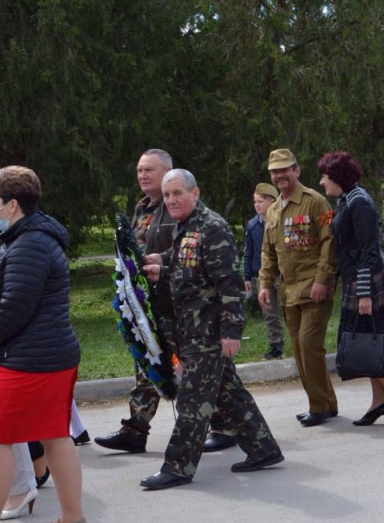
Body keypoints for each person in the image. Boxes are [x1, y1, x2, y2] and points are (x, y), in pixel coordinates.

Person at [0, 166, 92, 523]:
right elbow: (1, 298)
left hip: (31, 359)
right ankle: (72, 518)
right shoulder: (29, 237)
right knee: (54, 435)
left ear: (13, 205)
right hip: (48, 355)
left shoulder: (30, 243)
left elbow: (14, 306)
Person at [140, 169, 282, 490]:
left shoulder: (211, 227)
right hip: (190, 329)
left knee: (193, 400)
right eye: (167, 195)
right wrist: (159, 263)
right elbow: (186, 265)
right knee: (228, 392)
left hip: (209, 332)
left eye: (178, 193)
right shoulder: (186, 227)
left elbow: (229, 284)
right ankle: (263, 449)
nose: (172, 200)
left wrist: (231, 330)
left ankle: (177, 467)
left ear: (195, 192)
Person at [95, 149, 235, 454]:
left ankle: (224, 424)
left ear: (168, 172)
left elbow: (192, 258)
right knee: (148, 363)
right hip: (150, 303)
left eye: (149, 170)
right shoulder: (142, 208)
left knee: (201, 369)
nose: (143, 175)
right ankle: (135, 429)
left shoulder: (180, 209)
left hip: (181, 304)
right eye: (139, 170)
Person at [317, 151, 384, 425]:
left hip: (365, 282)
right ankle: (378, 401)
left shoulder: (360, 203)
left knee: (364, 342)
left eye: (324, 176)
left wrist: (365, 293)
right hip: (355, 280)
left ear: (337, 177)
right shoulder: (347, 198)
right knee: (366, 341)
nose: (322, 182)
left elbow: (370, 252)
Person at [258, 149, 338, 427]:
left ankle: (318, 407)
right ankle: (327, 402)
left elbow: (330, 242)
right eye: (274, 171)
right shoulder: (274, 210)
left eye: (285, 169)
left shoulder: (315, 202)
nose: (280, 175)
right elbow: (268, 252)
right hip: (289, 293)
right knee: (300, 350)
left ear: (297, 170)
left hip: (314, 289)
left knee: (309, 346)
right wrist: (265, 283)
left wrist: (322, 280)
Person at [243, 183, 285, 360]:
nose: (257, 205)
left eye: (260, 201)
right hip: (262, 276)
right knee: (269, 313)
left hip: (283, 274)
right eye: (255, 202)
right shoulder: (252, 225)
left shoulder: (282, 220)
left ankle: (301, 343)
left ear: (271, 201)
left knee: (292, 310)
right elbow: (248, 251)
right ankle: (276, 345)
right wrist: (247, 275)